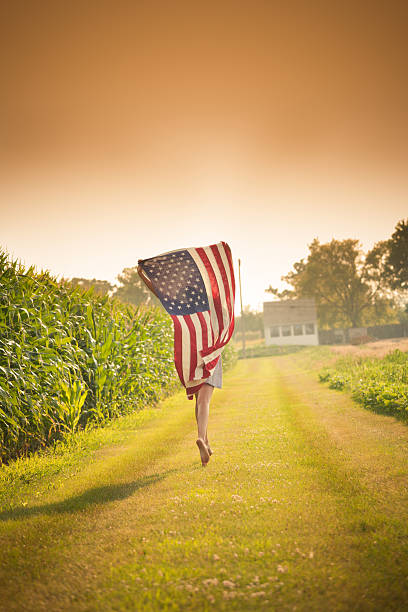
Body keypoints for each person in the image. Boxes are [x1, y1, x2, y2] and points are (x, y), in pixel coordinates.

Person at [137, 263, 221, 467]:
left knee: (198, 400)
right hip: (210, 352)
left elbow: (160, 294)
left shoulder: (183, 301)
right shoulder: (211, 299)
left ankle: (206, 442)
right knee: (205, 401)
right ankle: (202, 437)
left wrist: (143, 275)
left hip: (191, 352)